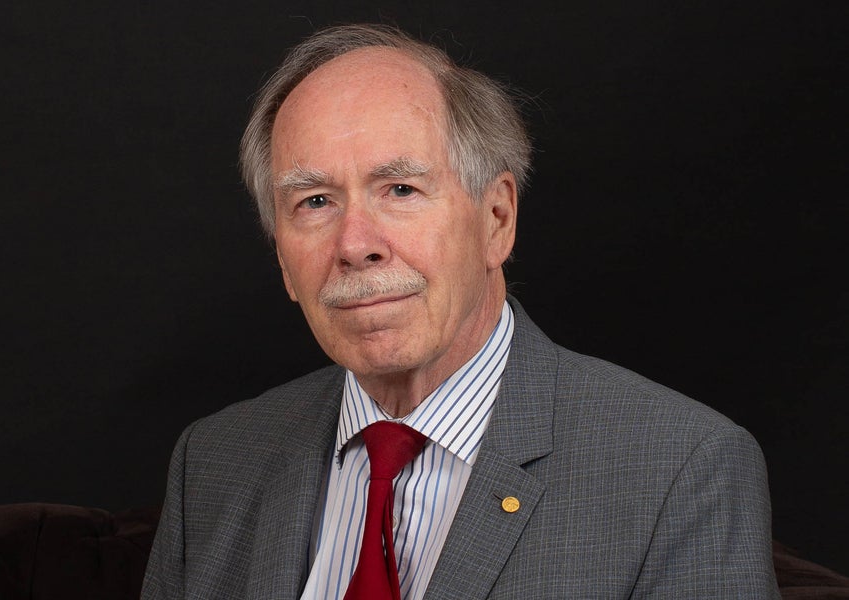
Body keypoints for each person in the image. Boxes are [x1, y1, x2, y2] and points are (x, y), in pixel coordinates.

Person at [142, 24, 779, 599]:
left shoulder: (680, 470)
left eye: (400, 189)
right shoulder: (215, 461)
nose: (356, 244)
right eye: (313, 201)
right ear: (282, 258)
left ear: (496, 219)